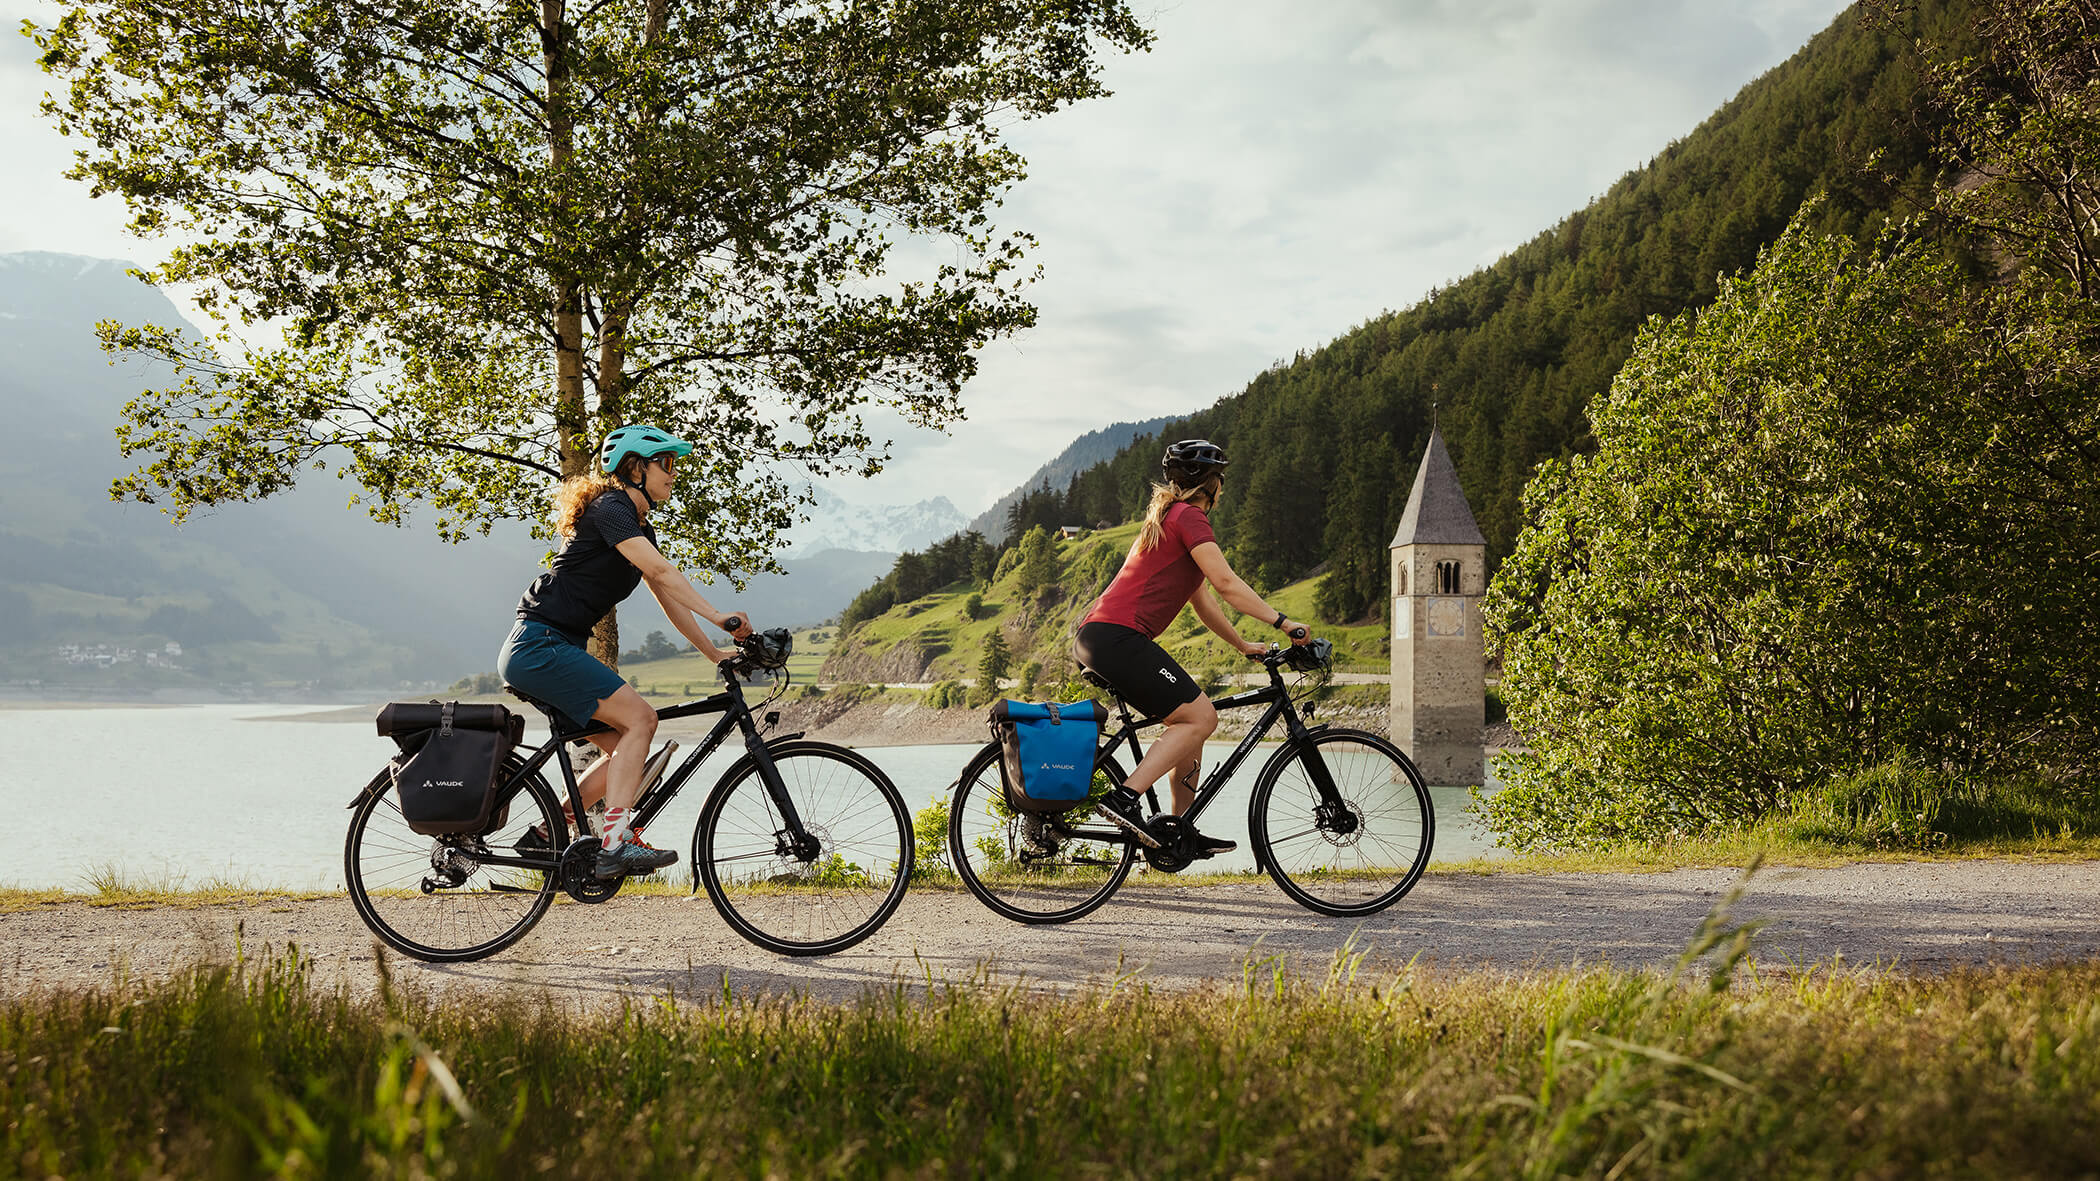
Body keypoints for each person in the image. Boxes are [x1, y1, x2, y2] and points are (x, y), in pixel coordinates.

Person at [496, 424, 753, 878]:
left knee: (625, 753)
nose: (674, 475)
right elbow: (663, 571)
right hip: (540, 646)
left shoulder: (638, 529)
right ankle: (614, 842)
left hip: (547, 648)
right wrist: (722, 617)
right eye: (667, 464)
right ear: (636, 468)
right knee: (643, 719)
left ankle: (548, 831)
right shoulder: (611, 508)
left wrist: (715, 653)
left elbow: (668, 595)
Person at [1073, 438, 1311, 854]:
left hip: (1101, 639)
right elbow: (1226, 584)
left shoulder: (1167, 519)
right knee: (1200, 717)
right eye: (1222, 480)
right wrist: (1283, 622)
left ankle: (1177, 830)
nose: (1223, 488)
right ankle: (1124, 799)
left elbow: (1202, 600)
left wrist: (1242, 644)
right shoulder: (1190, 519)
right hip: (1118, 638)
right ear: (1212, 484)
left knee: (1192, 725)